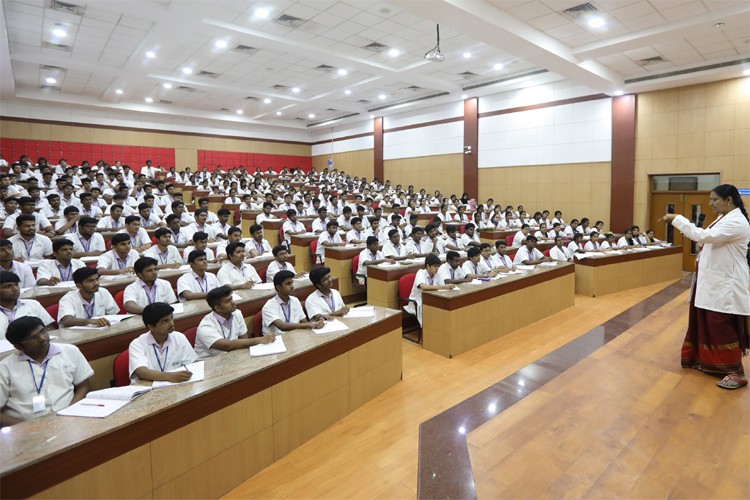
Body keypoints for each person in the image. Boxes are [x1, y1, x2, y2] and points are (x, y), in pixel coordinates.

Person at [660, 184, 750, 390]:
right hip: (713, 282)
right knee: (708, 322)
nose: (710, 204)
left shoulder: (736, 221)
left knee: (721, 324)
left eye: (714, 200)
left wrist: (677, 219)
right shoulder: (725, 218)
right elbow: (709, 240)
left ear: (729, 200)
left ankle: (735, 372)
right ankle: (709, 362)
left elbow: (702, 236)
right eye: (710, 200)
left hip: (725, 284)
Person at [0, 316, 93, 425]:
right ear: (18, 346)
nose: (42, 338)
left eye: (43, 332)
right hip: (27, 427)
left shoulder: (70, 351)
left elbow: (84, 386)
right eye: (32, 338)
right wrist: (29, 427)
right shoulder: (5, 367)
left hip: (70, 419)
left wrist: (70, 412)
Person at [195, 286, 275, 357]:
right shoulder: (205, 326)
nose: (233, 302)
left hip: (232, 356)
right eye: (227, 301)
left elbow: (244, 339)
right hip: (209, 363)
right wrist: (260, 339)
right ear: (218, 308)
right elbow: (227, 346)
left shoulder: (237, 313)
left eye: (231, 299)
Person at [128, 303, 197, 383]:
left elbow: (192, 365)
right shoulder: (137, 344)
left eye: (171, 318)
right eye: (165, 321)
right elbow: (142, 373)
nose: (172, 323)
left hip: (176, 386)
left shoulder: (179, 337)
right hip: (147, 389)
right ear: (151, 327)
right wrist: (170, 376)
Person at [261, 270, 323, 335]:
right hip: (277, 340)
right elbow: (282, 326)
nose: (292, 286)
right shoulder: (269, 306)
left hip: (295, 336)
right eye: (288, 284)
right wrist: (309, 324)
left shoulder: (295, 300)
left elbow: (304, 322)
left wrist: (317, 323)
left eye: (292, 283)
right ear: (278, 287)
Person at [0, 271, 54, 337]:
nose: (15, 289)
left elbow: (49, 328)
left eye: (16, 284)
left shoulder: (33, 304)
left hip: (34, 345)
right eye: (8, 286)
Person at [404, 254, 453, 326]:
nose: (437, 268)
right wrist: (445, 287)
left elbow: (442, 289)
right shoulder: (420, 272)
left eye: (438, 266)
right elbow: (424, 287)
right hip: (417, 301)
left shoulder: (437, 274)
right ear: (427, 266)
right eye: (435, 266)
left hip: (432, 298)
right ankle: (429, 330)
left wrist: (446, 287)